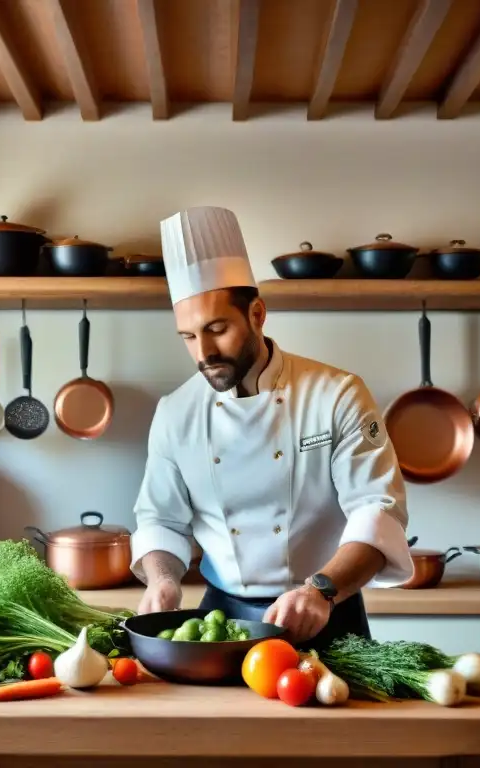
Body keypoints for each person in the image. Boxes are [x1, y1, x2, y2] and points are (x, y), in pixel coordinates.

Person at [129, 206, 414, 646]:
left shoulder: (336, 393)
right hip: (218, 625)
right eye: (188, 337)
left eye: (217, 328)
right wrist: (163, 580)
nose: (203, 351)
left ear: (258, 314)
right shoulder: (175, 411)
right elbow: (160, 520)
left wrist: (321, 589)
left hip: (324, 611)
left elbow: (377, 510)